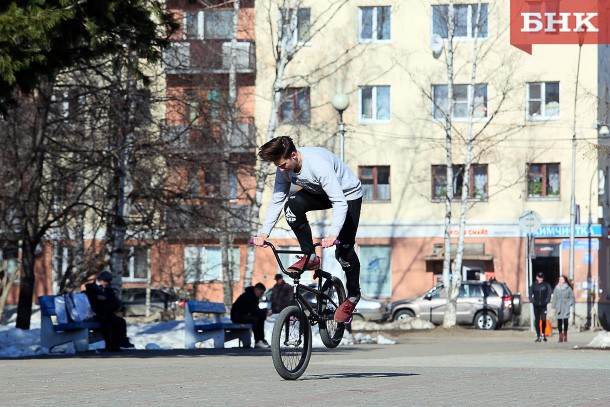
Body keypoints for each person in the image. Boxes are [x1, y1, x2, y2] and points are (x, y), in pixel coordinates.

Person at [251, 136, 363, 323]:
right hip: (319, 193)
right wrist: (264, 233)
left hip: (347, 194)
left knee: (343, 252)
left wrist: (333, 235)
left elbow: (339, 202)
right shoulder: (283, 169)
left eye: (283, 164)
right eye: (278, 166)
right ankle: (310, 256)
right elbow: (278, 199)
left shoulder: (318, 165)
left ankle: (353, 296)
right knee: (291, 207)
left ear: (294, 155)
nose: (281, 170)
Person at [84, 271, 134, 351]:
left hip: (107, 313)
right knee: (106, 323)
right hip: (96, 314)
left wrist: (115, 304)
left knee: (120, 321)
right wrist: (98, 298)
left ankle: (121, 341)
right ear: (101, 280)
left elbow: (115, 301)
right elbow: (90, 300)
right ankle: (110, 345)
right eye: (106, 281)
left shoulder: (108, 289)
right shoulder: (90, 287)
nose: (107, 283)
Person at [231, 283, 269, 349]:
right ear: (256, 289)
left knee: (260, 317)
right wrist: (264, 313)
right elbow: (253, 310)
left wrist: (263, 314)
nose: (261, 295)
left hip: (243, 315)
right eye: (261, 292)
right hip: (237, 316)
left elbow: (254, 310)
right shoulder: (248, 296)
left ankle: (261, 339)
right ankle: (258, 341)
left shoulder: (253, 296)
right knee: (256, 319)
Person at [529, 271, 552, 342]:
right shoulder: (534, 285)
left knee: (544, 319)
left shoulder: (546, 285)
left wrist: (546, 301)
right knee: (537, 320)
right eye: (539, 277)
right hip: (536, 305)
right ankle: (538, 335)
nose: (541, 279)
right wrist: (533, 301)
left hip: (543, 305)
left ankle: (544, 334)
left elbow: (549, 294)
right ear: (536, 278)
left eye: (542, 277)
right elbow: (530, 294)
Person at [551, 275, 575, 343]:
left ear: (565, 280)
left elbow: (572, 297)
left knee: (565, 320)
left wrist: (569, 303)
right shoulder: (556, 288)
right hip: (558, 306)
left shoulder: (568, 288)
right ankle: (560, 336)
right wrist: (553, 307)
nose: (560, 280)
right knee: (559, 321)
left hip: (565, 306)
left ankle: (565, 335)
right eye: (559, 279)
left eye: (561, 279)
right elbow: (554, 298)